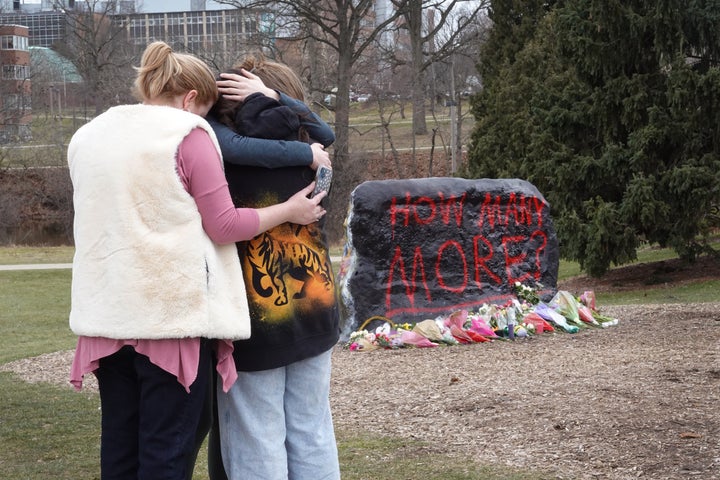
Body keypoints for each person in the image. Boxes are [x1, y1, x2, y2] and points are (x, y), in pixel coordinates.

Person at [67, 42, 326, 480]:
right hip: (168, 319)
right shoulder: (187, 135)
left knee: (120, 442)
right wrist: (288, 210)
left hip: (105, 315)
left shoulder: (89, 135)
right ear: (190, 99)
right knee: (168, 446)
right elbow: (223, 224)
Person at [207, 57, 341, 480]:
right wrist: (275, 98)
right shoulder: (315, 156)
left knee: (256, 435)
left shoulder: (221, 157)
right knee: (313, 429)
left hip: (256, 318)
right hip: (316, 307)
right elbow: (323, 130)